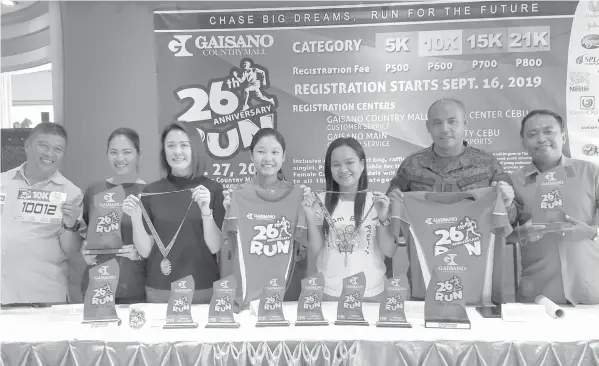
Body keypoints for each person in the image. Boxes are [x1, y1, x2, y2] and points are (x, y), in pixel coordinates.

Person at [387, 98, 516, 302]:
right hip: (426, 279)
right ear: (428, 127)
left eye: (452, 121)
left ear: (465, 124)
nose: (445, 128)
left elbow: (510, 220)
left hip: (477, 284)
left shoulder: (488, 164)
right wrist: (391, 203)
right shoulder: (411, 166)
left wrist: (507, 202)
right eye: (437, 122)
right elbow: (390, 217)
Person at [122, 122, 225, 303]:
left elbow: (216, 247)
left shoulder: (212, 190)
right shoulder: (151, 191)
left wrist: (206, 211)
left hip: (202, 288)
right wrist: (136, 217)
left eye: (184, 145)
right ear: (164, 151)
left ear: (195, 149)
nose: (177, 151)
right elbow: (145, 251)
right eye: (171, 146)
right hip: (160, 290)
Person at [511, 110, 599, 305]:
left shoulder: (591, 173)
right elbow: (502, 236)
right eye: (532, 134)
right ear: (523, 142)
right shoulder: (513, 182)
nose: (541, 139)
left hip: (591, 289)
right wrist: (522, 233)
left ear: (563, 136)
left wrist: (592, 231)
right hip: (539, 294)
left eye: (548, 131)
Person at [222, 128, 312, 305]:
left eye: (275, 152)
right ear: (251, 155)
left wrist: (307, 208)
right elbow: (228, 246)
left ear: (283, 156)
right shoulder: (238, 195)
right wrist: (229, 209)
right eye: (261, 151)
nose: (268, 158)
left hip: (285, 298)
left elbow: (303, 249)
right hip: (247, 300)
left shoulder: (297, 196)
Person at [303, 137, 397, 301]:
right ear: (329, 169)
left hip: (372, 293)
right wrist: (310, 217)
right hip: (330, 294)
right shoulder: (320, 202)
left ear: (362, 165)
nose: (343, 169)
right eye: (336, 164)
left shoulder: (376, 201)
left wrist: (383, 218)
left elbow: (389, 251)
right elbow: (314, 250)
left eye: (349, 162)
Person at [1, 122, 84, 304]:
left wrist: (71, 225)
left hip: (43, 298)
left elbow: (71, 251)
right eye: (43, 146)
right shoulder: (3, 183)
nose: (49, 154)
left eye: (58, 149)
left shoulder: (70, 193)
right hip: (3, 294)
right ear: (27, 146)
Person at [80, 128, 147, 303]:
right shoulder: (94, 191)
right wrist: (85, 251)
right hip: (96, 287)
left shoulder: (149, 193)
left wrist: (140, 254)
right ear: (107, 154)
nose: (119, 159)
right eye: (113, 152)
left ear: (139, 154)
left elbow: (160, 246)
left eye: (127, 152)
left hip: (134, 288)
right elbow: (83, 236)